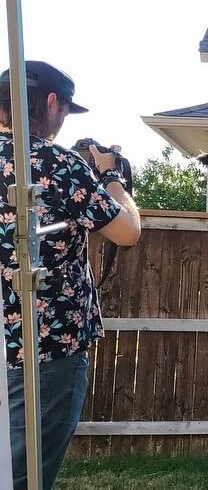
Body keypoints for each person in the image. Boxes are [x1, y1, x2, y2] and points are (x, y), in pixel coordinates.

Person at [1, 61, 142, 490]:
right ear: (51, 102)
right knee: (27, 473)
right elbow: (128, 231)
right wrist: (112, 173)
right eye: (65, 111)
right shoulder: (52, 162)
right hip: (45, 348)